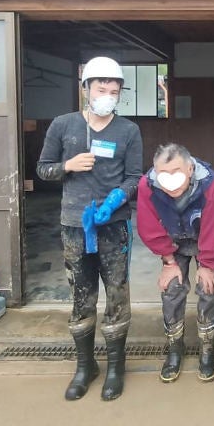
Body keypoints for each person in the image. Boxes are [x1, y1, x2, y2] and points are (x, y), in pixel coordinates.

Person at [37, 56, 143, 401]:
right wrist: (67, 166)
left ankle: (115, 368)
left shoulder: (128, 130)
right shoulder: (63, 125)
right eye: (101, 89)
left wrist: (117, 199)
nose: (107, 96)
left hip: (114, 227)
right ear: (86, 89)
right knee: (81, 297)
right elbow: (42, 169)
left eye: (114, 91)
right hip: (74, 225)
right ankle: (85, 367)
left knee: (117, 294)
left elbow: (135, 177)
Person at [136, 143, 214, 383]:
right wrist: (168, 261)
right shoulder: (147, 185)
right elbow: (148, 225)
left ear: (190, 169)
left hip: (204, 237)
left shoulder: (211, 185)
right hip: (172, 239)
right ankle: (175, 346)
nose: (169, 181)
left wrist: (208, 265)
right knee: (172, 288)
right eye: (163, 174)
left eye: (176, 172)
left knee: (208, 288)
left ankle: (207, 346)